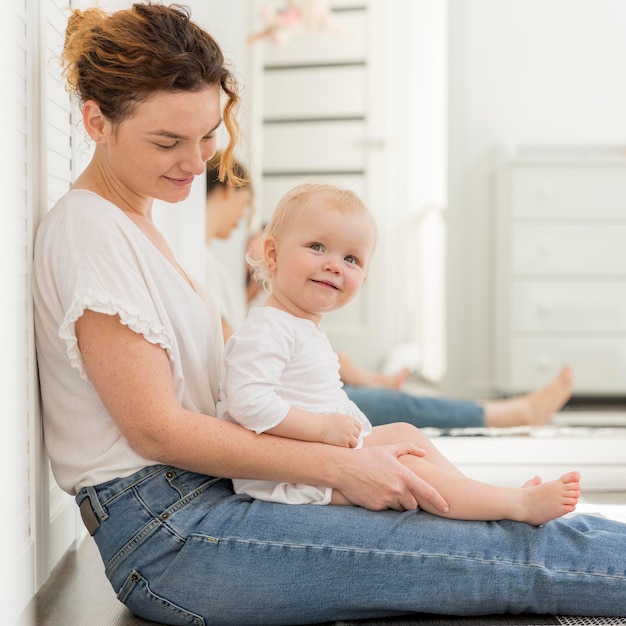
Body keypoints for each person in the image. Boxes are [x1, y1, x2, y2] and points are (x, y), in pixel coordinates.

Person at [31, 3, 626, 624]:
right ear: (96, 122)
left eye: (207, 134)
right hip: (174, 534)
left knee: (500, 532)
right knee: (508, 554)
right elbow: (157, 430)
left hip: (210, 495)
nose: (197, 160)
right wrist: (341, 465)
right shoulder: (89, 231)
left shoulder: (136, 222)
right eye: (167, 141)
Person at [217, 182, 581, 524]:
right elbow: (248, 402)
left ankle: (477, 495)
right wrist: (324, 426)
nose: (334, 264)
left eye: (352, 259)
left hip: (318, 448)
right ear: (273, 253)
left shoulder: (300, 325)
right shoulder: (269, 328)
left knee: (408, 435)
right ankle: (515, 506)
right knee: (407, 465)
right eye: (317, 247)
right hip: (288, 474)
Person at [207, 155, 575, 432]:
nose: (245, 216)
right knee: (401, 408)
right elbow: (238, 350)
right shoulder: (208, 272)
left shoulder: (215, 267)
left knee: (395, 413)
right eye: (317, 247)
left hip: (292, 385)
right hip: (290, 404)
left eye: (351, 258)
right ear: (226, 189)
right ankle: (512, 414)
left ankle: (376, 381)